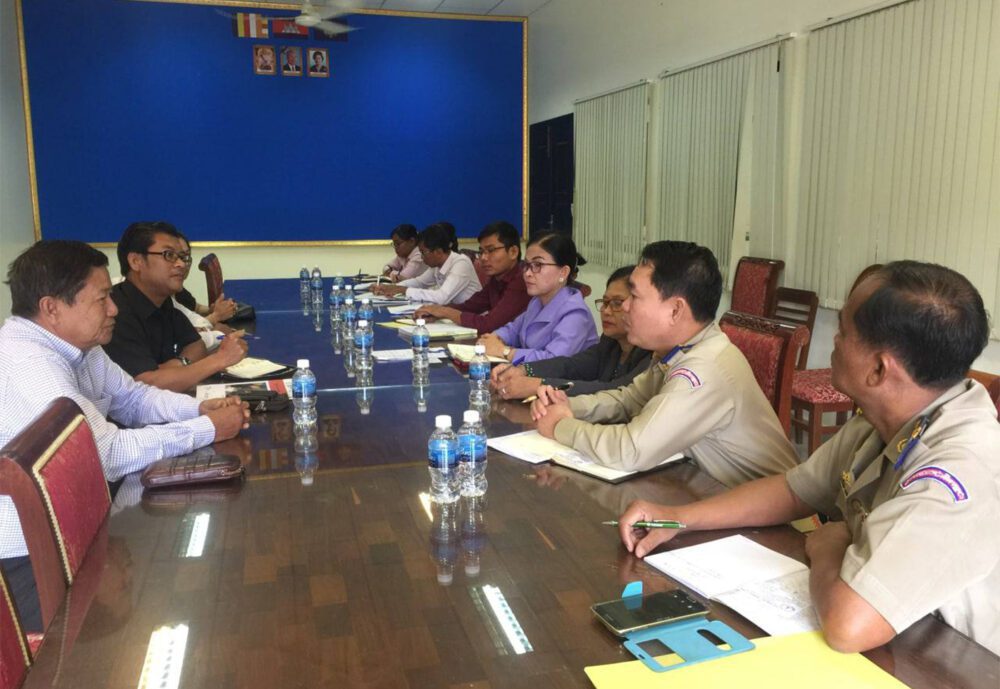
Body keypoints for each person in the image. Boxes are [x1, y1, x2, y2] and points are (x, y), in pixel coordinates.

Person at [616, 261, 999, 656]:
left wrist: (828, 545)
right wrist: (680, 517)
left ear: (880, 369)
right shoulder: (891, 415)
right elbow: (793, 489)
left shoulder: (956, 473)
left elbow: (849, 627)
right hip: (895, 631)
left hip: (953, 659)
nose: (833, 340)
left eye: (844, 332)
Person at [0, 240, 250, 631]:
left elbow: (133, 397)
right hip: (28, 561)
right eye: (102, 299)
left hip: (77, 525)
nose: (114, 308)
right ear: (52, 308)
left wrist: (198, 409)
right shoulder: (30, 365)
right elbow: (105, 454)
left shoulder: (77, 346)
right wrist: (206, 428)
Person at [530, 240, 798, 487]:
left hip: (782, 527)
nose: (625, 307)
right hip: (712, 490)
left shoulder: (703, 368)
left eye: (634, 297)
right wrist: (567, 406)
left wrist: (561, 425)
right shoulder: (677, 350)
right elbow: (629, 400)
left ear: (675, 310)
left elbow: (631, 450)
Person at [104, 221, 248, 393]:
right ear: (136, 261)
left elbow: (196, 346)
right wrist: (220, 359)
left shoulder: (162, 301)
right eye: (169, 255)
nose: (181, 264)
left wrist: (180, 364)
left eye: (182, 257)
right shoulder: (114, 313)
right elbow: (144, 387)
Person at [492, 265, 652, 399]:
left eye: (617, 303)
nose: (606, 311)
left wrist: (539, 385)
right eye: (605, 302)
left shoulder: (652, 353)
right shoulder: (610, 342)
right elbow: (570, 365)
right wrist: (524, 369)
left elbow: (614, 392)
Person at [477, 232, 598, 364]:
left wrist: (505, 352)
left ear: (563, 272)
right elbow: (513, 330)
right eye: (526, 265)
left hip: (563, 383)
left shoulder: (576, 314)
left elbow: (553, 361)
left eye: (538, 265)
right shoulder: (537, 302)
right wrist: (494, 338)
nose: (528, 273)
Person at [414, 220, 529, 335]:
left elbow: (489, 324)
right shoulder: (496, 279)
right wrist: (435, 312)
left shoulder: (522, 281)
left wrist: (445, 312)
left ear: (513, 252)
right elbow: (470, 306)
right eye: (481, 251)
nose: (483, 258)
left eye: (491, 250)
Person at [370, 223, 481, 305]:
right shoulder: (437, 265)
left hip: (473, 320)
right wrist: (389, 288)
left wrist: (403, 290)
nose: (422, 258)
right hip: (454, 314)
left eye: (423, 253)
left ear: (438, 251)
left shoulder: (461, 263)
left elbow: (441, 297)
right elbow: (419, 282)